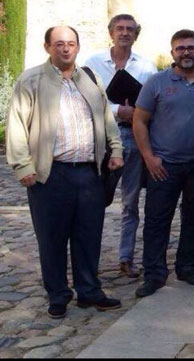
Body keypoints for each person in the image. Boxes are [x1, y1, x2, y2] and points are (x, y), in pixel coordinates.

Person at [6, 26, 124, 318]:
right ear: (47, 47)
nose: (66, 49)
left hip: (88, 173)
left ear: (78, 46)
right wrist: (22, 165)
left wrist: (116, 149)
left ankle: (89, 291)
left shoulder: (89, 78)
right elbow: (17, 124)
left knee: (88, 235)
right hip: (50, 175)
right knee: (52, 238)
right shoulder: (31, 80)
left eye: (71, 43)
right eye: (59, 44)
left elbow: (106, 117)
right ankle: (58, 294)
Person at [132, 29, 194, 298]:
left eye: (191, 48)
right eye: (180, 48)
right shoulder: (157, 83)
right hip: (164, 165)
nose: (186, 52)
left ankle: (186, 266)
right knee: (157, 220)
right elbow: (139, 120)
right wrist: (149, 157)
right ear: (173, 52)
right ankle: (154, 274)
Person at [84, 14, 157, 279]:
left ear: (136, 34)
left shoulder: (147, 67)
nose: (125, 33)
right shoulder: (93, 63)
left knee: (130, 202)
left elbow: (153, 103)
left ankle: (126, 257)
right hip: (102, 139)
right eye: (120, 29)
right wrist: (118, 110)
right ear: (111, 32)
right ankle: (88, 258)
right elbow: (86, 100)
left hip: (135, 137)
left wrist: (136, 113)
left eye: (130, 29)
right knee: (94, 201)